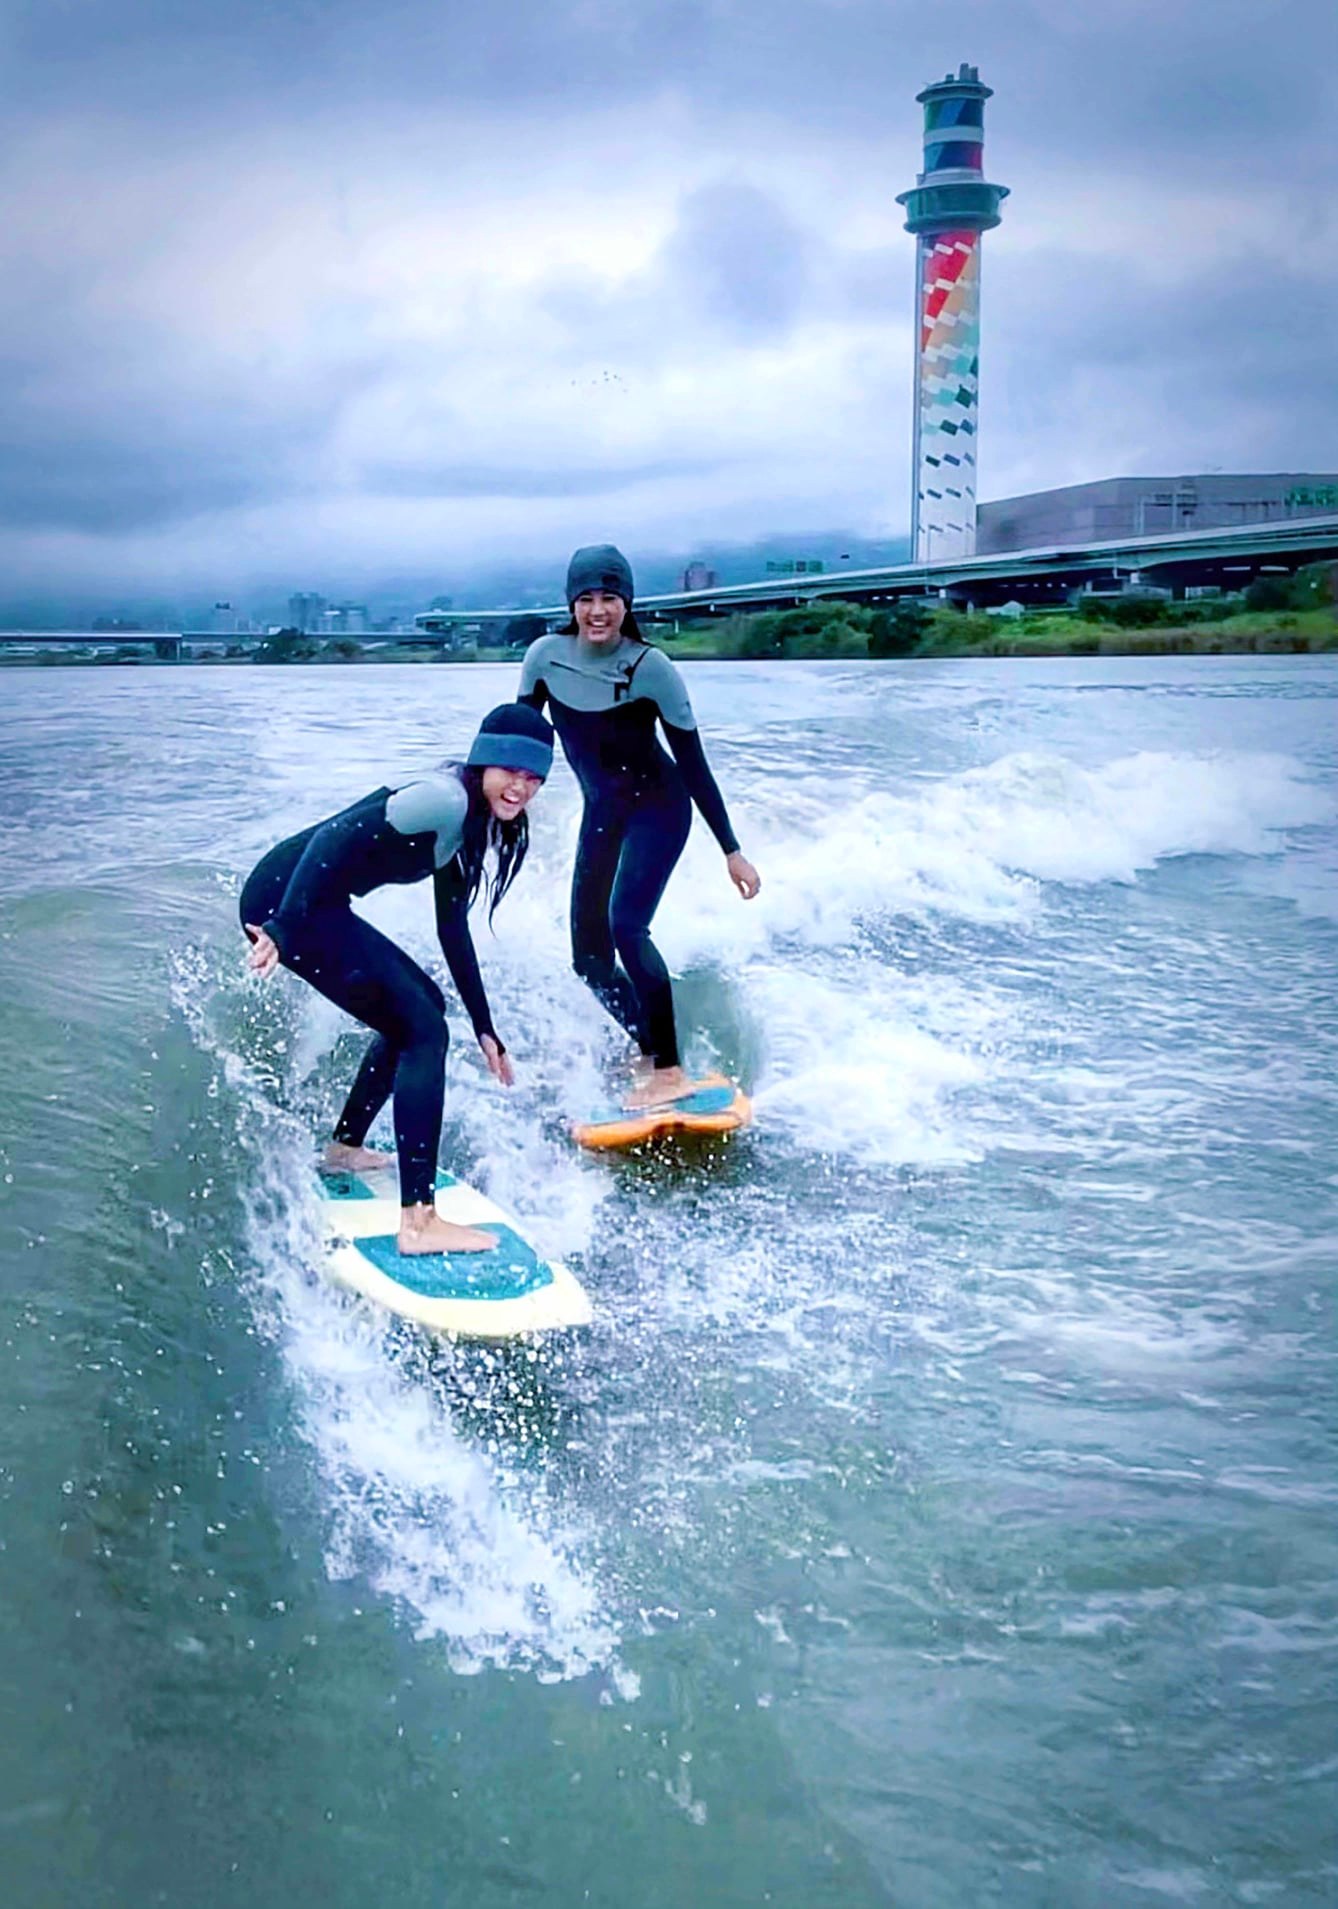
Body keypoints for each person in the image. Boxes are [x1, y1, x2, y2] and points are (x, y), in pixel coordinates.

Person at [239, 702, 555, 1255]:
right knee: (424, 1031)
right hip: (287, 900)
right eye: (511, 772)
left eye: (534, 778)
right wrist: (284, 927)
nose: (520, 788)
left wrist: (485, 1025)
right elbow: (332, 838)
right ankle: (418, 1221)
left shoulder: (470, 822)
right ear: (484, 764)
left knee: (424, 1009)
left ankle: (345, 1150)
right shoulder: (443, 798)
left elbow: (451, 925)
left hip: (315, 904)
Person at [519, 544, 760, 1111]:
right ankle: (649, 1048)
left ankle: (670, 1070)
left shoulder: (651, 667)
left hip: (659, 808)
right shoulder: (543, 658)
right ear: (572, 604)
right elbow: (522, 743)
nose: (598, 611)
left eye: (610, 598)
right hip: (604, 812)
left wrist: (731, 849)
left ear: (628, 604)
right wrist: (489, 812)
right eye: (587, 599)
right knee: (588, 958)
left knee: (627, 927)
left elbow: (695, 765)